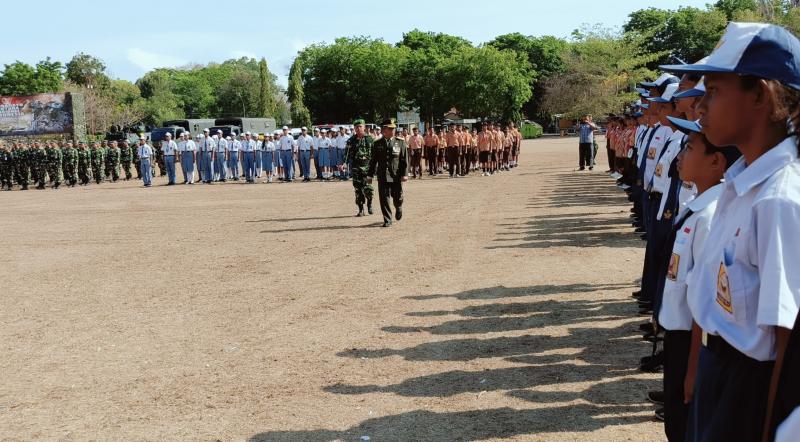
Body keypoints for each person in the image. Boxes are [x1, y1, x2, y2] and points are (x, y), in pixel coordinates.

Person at [661, 22, 800, 442]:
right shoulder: (740, 186)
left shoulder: (779, 199)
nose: (700, 108)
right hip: (717, 370)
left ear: (761, 94)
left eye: (715, 92)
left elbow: (788, 341)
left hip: (751, 390)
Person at [368, 119, 409, 227]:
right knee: (384, 198)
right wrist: (370, 175)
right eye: (390, 128)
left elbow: (404, 160)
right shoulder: (377, 144)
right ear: (384, 130)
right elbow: (373, 161)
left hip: (395, 175)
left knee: (397, 196)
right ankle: (387, 220)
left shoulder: (400, 142)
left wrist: (405, 174)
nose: (393, 130)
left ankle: (398, 206)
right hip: (382, 175)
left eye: (393, 128)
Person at [345, 119, 374, 216]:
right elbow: (347, 154)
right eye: (356, 127)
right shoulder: (351, 140)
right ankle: (361, 209)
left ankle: (369, 204)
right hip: (356, 168)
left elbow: (375, 154)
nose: (358, 128)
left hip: (367, 168)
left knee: (368, 188)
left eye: (360, 126)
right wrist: (344, 163)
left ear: (364, 127)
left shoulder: (370, 139)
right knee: (358, 190)